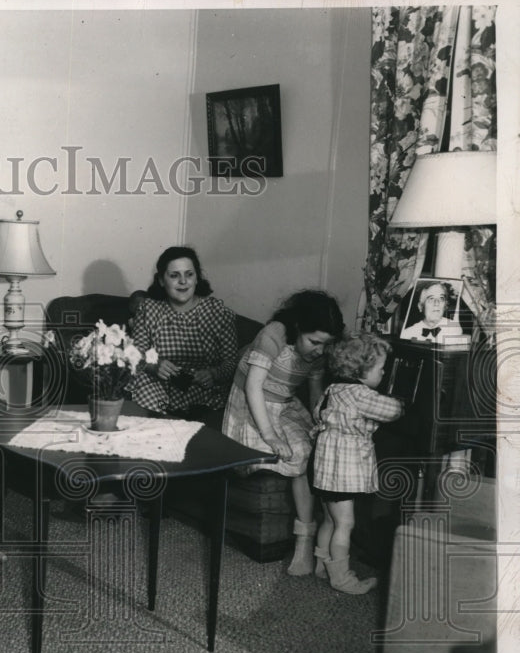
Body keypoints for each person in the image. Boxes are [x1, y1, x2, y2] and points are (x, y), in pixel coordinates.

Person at [221, 289, 345, 576]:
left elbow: (314, 391)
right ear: (298, 327)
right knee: (294, 453)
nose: (319, 350)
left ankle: (306, 541)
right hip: (252, 405)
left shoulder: (320, 350)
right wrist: (270, 435)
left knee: (313, 449)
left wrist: (320, 421)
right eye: (314, 342)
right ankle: (305, 540)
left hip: (284, 403)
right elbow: (253, 387)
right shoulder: (274, 334)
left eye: (325, 345)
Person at [310, 333, 404, 594]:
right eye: (381, 368)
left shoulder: (333, 389)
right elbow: (392, 411)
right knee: (345, 524)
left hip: (322, 468)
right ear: (362, 371)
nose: (384, 373)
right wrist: (402, 402)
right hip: (339, 470)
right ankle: (342, 579)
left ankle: (321, 565)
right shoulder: (360, 394)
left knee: (329, 520)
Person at [131, 247, 238, 424]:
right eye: (174, 275)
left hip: (204, 392)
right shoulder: (148, 309)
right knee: (144, 387)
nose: (183, 281)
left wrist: (214, 374)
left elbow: (231, 363)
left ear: (197, 278)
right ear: (161, 280)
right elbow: (135, 354)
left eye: (189, 274)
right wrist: (153, 366)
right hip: (159, 387)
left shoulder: (219, 313)